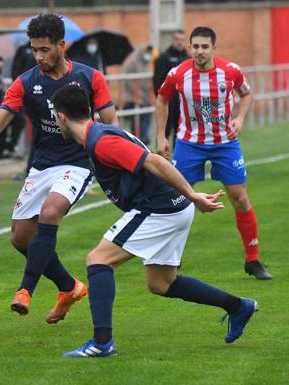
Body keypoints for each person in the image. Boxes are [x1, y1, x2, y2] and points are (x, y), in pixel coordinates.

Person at [0, 13, 119, 323]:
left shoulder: (91, 78)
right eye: (34, 50)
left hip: (77, 163)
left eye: (44, 50)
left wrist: (112, 159)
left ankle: (25, 291)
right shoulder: (26, 82)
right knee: (21, 237)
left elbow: (111, 123)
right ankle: (69, 287)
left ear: (61, 45)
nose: (38, 56)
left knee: (49, 214)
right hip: (42, 165)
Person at [51, 84, 258, 358]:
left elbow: (154, 162)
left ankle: (102, 343)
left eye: (54, 116)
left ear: (61, 117)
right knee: (161, 284)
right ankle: (237, 306)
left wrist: (193, 194)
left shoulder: (101, 141)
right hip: (171, 207)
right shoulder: (96, 135)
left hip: (160, 208)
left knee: (98, 260)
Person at [156, 26, 272, 280]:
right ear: (190, 47)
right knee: (177, 199)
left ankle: (252, 260)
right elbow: (162, 98)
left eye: (204, 46)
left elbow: (246, 94)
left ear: (213, 48)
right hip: (189, 143)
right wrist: (162, 136)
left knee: (240, 198)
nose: (199, 51)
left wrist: (240, 119)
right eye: (195, 46)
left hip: (225, 143)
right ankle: (170, 258)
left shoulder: (230, 71)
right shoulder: (178, 74)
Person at [153, 30, 189, 146]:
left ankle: (178, 159)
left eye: (182, 40)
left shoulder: (188, 59)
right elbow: (157, 80)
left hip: (184, 103)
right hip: (167, 102)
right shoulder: (163, 58)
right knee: (164, 131)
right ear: (173, 40)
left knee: (181, 133)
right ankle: (160, 158)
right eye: (177, 39)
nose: (179, 42)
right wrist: (161, 100)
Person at [121, 44, 154, 144]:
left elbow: (147, 82)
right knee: (138, 122)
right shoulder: (132, 62)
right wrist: (139, 96)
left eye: (150, 53)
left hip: (144, 98)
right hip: (132, 98)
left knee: (146, 117)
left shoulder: (144, 63)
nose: (148, 55)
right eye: (147, 52)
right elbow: (129, 82)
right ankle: (139, 141)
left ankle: (143, 140)